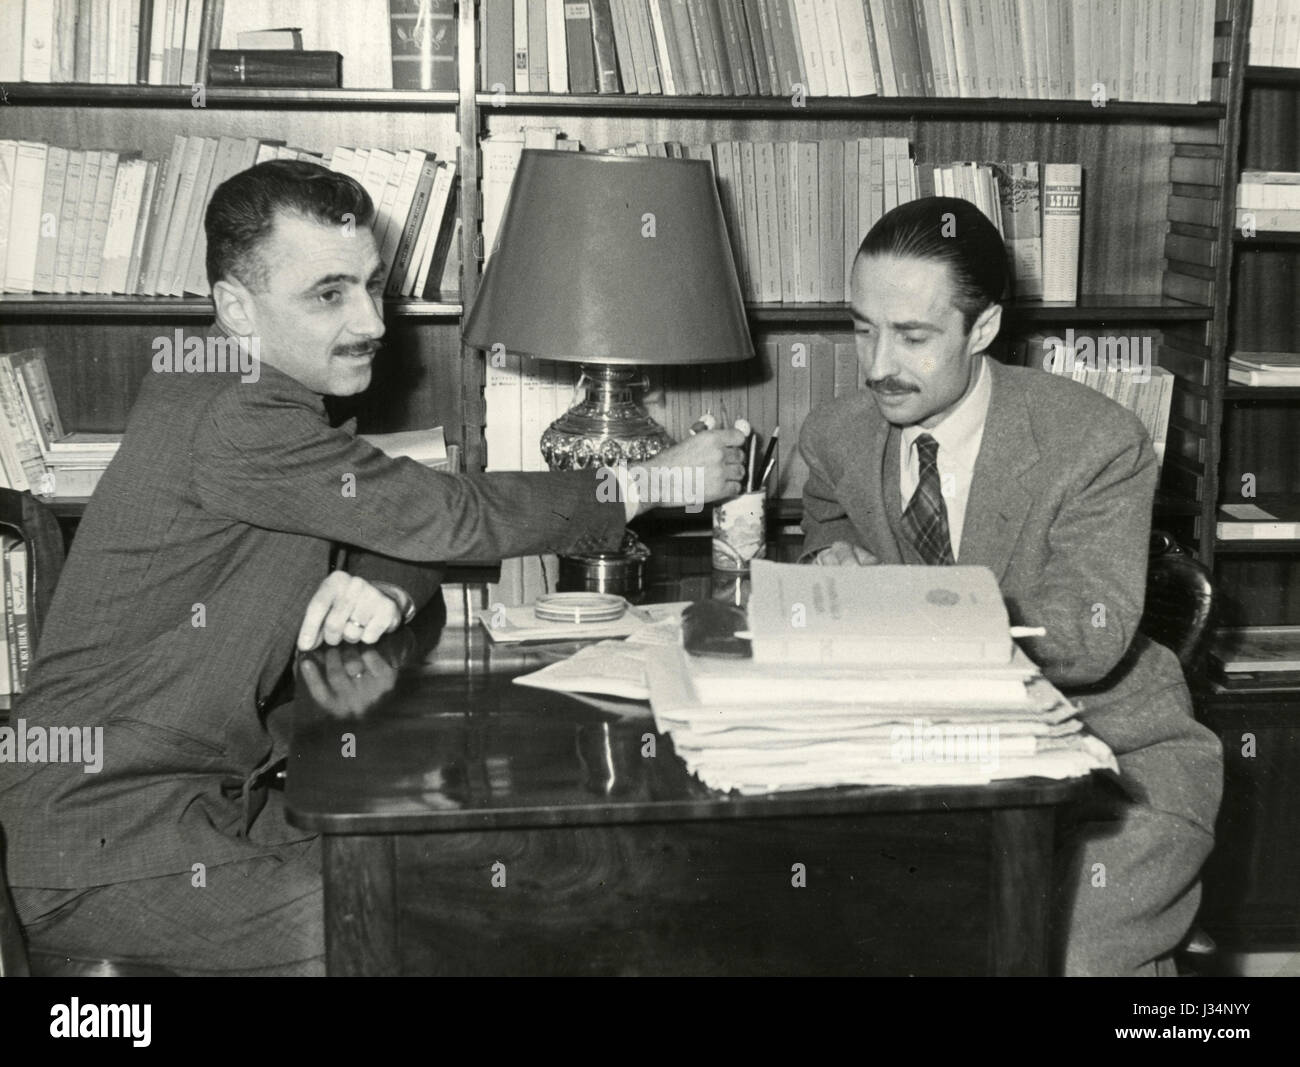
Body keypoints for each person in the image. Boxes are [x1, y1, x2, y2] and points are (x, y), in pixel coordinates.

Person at [0, 160, 745, 975]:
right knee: (440, 921)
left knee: (468, 869)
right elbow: (445, 513)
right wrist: (651, 481)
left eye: (373, 285)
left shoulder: (236, 384)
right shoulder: (236, 415)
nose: (373, 320)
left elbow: (394, 512)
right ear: (236, 310)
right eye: (329, 294)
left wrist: (387, 579)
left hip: (200, 806)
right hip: (103, 848)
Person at [798, 196, 1222, 976]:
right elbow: (827, 526)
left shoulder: (1095, 441)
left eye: (913, 336)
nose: (876, 365)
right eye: (863, 327)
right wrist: (834, 561)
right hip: (922, 762)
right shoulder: (835, 435)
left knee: (1059, 952)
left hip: (1109, 759)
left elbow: (1088, 634)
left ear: (984, 329)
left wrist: (902, 614)